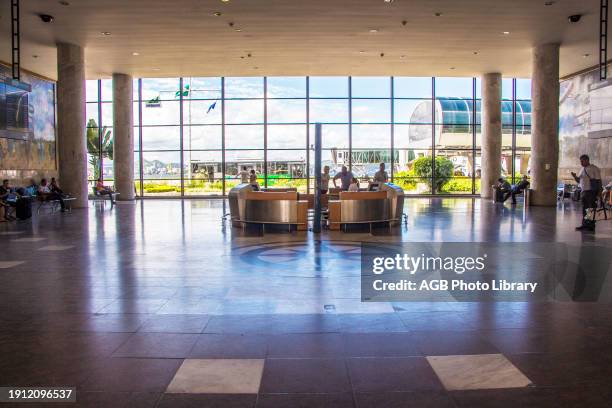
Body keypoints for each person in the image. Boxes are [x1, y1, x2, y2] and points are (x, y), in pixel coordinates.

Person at [572, 154, 602, 231]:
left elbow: (599, 181)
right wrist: (575, 177)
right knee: (585, 209)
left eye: (582, 161)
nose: (581, 163)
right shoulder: (582, 169)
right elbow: (579, 181)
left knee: (591, 209)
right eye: (580, 161)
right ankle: (585, 224)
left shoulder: (594, 168)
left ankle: (591, 225)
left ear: (587, 160)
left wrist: (599, 192)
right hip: (584, 191)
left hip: (591, 192)